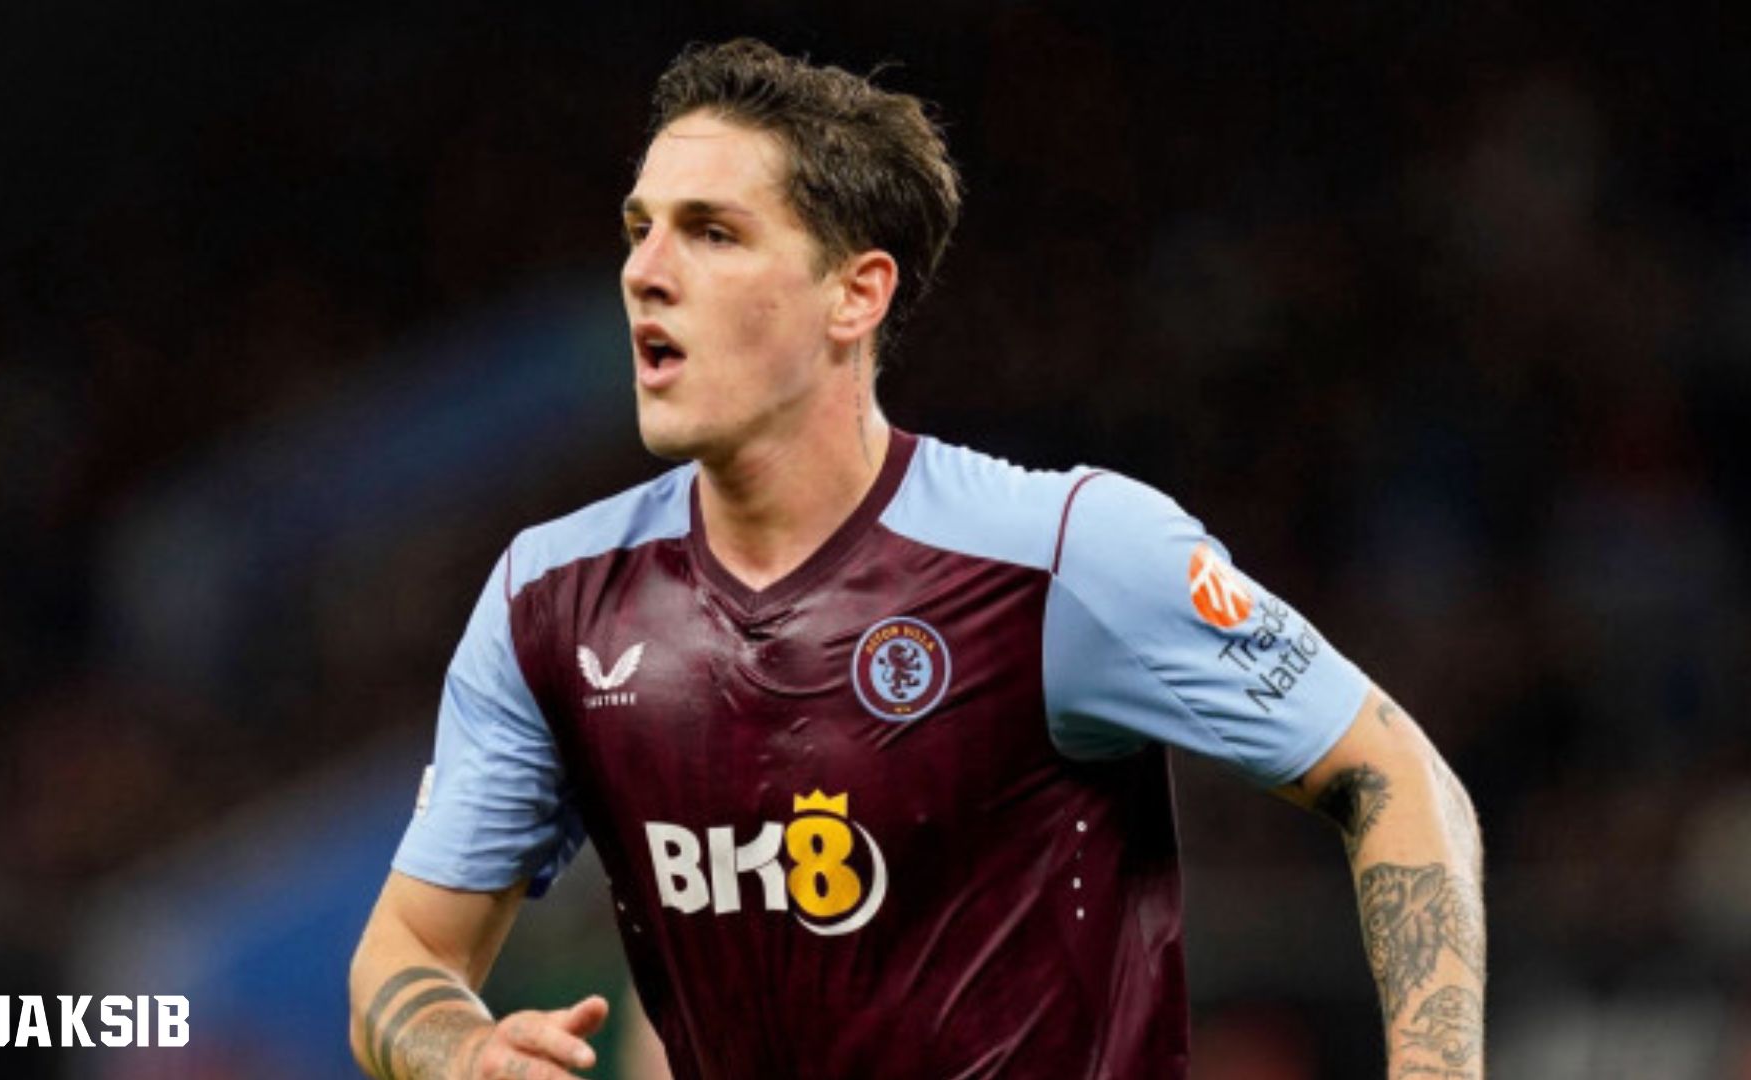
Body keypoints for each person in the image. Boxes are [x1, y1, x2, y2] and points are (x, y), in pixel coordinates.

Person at [347, 38, 1485, 1080]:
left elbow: (1396, 777)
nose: (645, 269)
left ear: (856, 294)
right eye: (638, 227)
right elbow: (405, 955)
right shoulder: (551, 600)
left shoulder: (1066, 556)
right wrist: (459, 1050)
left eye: (712, 232)